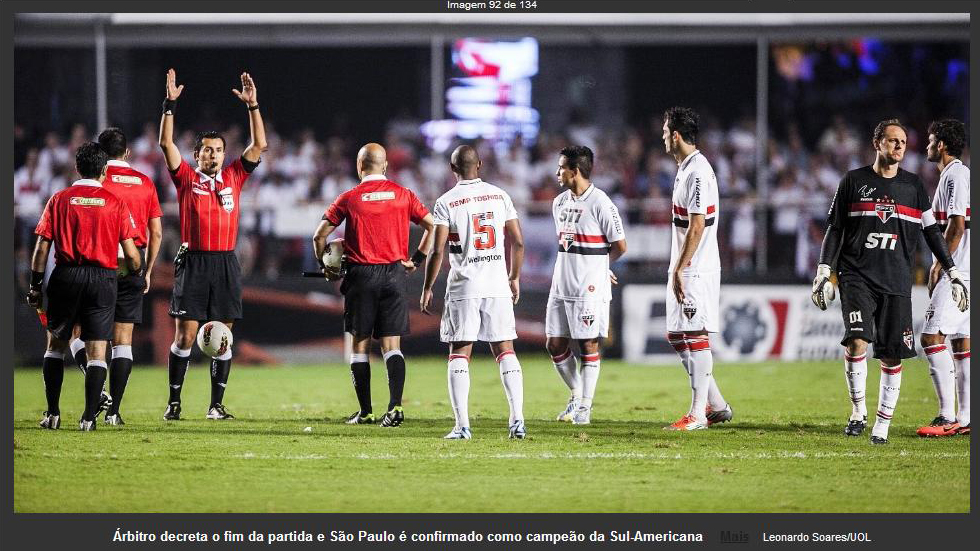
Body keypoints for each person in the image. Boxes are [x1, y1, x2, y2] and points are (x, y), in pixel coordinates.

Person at [811, 118, 968, 444]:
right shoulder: (853, 182)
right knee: (857, 341)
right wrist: (824, 270)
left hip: (897, 281)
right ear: (877, 142)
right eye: (892, 140)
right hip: (856, 276)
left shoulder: (914, 188)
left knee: (892, 355)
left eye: (902, 142)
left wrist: (951, 270)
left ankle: (882, 425)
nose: (899, 146)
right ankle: (858, 412)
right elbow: (835, 229)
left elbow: (932, 233)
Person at [158, 68, 268, 420]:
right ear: (197, 156)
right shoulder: (187, 179)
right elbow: (165, 144)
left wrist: (253, 107)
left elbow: (259, 145)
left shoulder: (234, 175)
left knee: (222, 336)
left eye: (218, 150)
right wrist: (170, 105)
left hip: (225, 263)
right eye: (207, 151)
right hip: (194, 262)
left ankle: (215, 405)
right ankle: (174, 403)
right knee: (185, 337)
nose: (214, 155)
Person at [313, 143, 434, 427]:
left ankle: (365, 411)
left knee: (360, 346)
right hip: (394, 275)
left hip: (361, 276)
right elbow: (433, 225)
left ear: (359, 166)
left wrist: (326, 267)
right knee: (392, 346)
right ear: (385, 166)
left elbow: (319, 236)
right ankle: (395, 409)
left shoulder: (349, 198)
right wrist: (416, 259)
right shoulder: (403, 195)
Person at [30, 142, 143, 431]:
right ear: (104, 171)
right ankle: (88, 417)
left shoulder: (59, 199)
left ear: (77, 168)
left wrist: (35, 286)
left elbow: (42, 248)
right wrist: (136, 270)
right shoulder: (115, 203)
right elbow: (131, 255)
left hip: (66, 276)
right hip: (103, 280)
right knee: (97, 351)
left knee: (55, 346)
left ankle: (53, 414)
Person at [421, 145, 527, 440]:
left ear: (452, 169)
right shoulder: (500, 195)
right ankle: (517, 420)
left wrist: (428, 286)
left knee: (459, 354)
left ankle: (463, 426)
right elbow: (518, 242)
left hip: (464, 285)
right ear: (479, 164)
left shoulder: (446, 202)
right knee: (506, 350)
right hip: (496, 284)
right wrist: (514, 277)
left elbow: (438, 249)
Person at [67, 127, 163, 426]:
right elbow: (156, 231)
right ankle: (115, 411)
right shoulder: (145, 182)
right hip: (132, 264)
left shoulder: (96, 182)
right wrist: (146, 271)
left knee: (81, 335)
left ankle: (100, 393)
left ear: (100, 153)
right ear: (128, 152)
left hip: (98, 266)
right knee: (123, 342)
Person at [661, 107, 733, 431]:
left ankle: (697, 414)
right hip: (686, 264)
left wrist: (681, 266)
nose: (663, 137)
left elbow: (698, 224)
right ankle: (716, 405)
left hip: (695, 267)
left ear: (676, 135)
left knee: (694, 334)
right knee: (676, 334)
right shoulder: (686, 168)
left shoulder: (698, 171)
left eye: (665, 132)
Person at [545, 145, 627, 425]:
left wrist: (602, 267)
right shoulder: (559, 203)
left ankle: (584, 408)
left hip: (587, 286)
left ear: (575, 171)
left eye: (561, 168)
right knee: (554, 344)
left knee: (588, 345)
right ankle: (577, 395)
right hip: (560, 283)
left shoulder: (602, 203)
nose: (557, 172)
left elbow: (620, 246)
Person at [917, 119, 971, 437]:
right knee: (962, 343)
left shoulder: (956, 175)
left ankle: (947, 416)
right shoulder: (954, 175)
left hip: (959, 271)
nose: (926, 145)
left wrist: (941, 263)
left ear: (940, 145)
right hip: (965, 269)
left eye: (929, 139)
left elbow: (957, 224)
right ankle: (965, 418)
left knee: (932, 338)